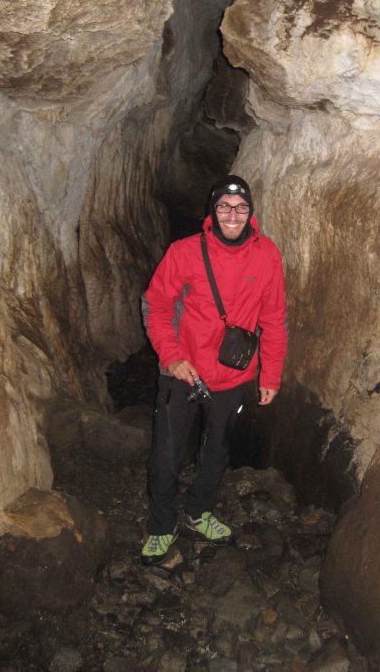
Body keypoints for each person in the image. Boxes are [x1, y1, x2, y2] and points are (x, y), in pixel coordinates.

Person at [140, 174, 288, 566]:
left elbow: (274, 318)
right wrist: (172, 357)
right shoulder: (185, 252)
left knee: (216, 450)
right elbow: (156, 305)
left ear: (251, 212)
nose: (232, 215)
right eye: (224, 206)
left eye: (240, 208)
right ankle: (161, 525)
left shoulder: (267, 255)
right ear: (213, 210)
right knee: (167, 454)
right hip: (183, 372)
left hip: (233, 376)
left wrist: (270, 375)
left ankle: (198, 510)